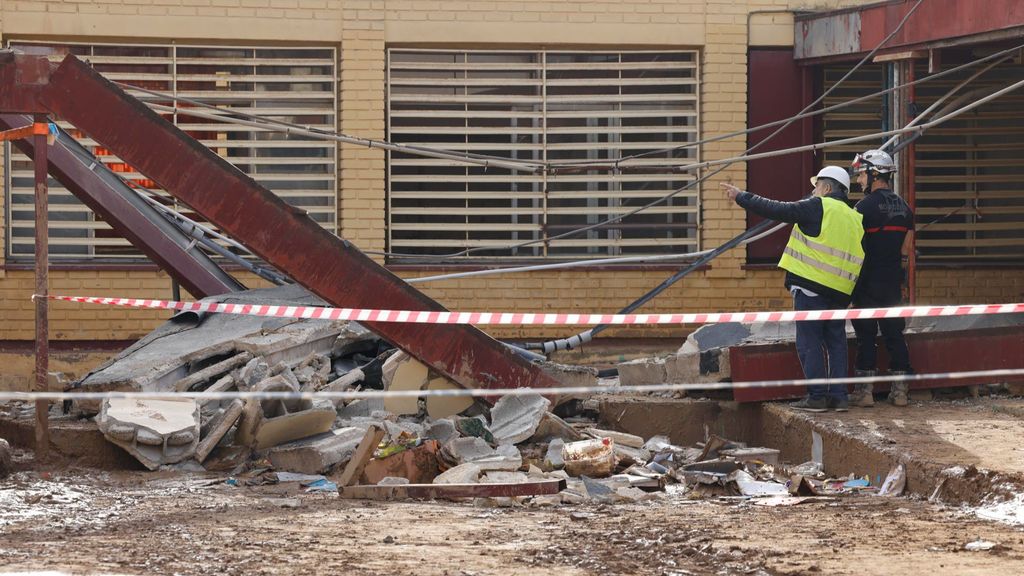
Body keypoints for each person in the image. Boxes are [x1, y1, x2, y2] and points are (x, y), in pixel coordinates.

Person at [724, 166, 864, 412]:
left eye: (816, 186)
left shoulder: (818, 205)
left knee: (810, 342)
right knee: (836, 343)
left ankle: (817, 396)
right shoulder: (855, 217)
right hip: (841, 291)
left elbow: (779, 209)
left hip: (811, 289)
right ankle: (839, 396)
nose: (813, 190)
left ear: (827, 188)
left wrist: (741, 196)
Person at [848, 149, 915, 408]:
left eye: (862, 174)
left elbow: (854, 248)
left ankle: (864, 393)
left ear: (875, 174)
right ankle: (900, 393)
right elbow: (906, 251)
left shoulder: (862, 208)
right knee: (894, 334)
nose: (859, 180)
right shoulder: (905, 209)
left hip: (866, 282)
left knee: (866, 335)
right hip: (892, 283)